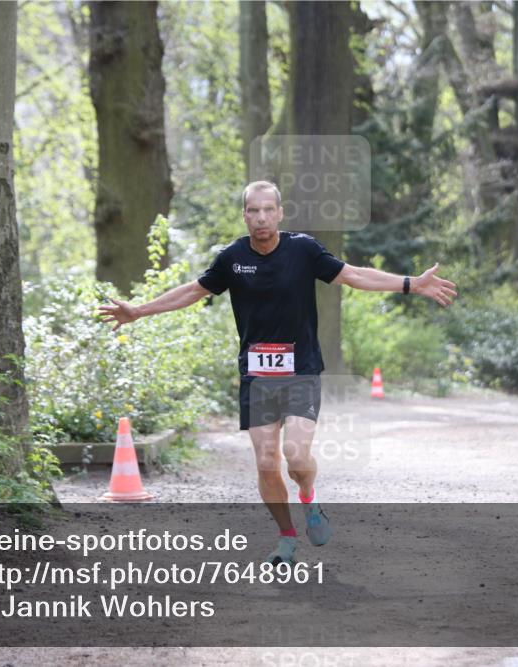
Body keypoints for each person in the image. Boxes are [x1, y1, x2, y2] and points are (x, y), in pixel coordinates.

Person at [98, 181, 457, 565]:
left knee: (296, 456)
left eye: (269, 209)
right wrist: (138, 311)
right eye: (253, 210)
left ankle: (309, 498)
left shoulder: (303, 249)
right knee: (267, 461)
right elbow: (193, 291)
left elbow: (353, 275)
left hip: (300, 370)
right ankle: (286, 537)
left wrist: (409, 284)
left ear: (280, 213)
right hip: (257, 376)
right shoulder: (232, 258)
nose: (261, 218)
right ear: (245, 215)